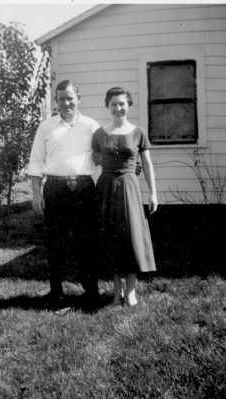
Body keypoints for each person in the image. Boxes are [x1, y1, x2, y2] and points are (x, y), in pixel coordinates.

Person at [28, 80, 100, 308]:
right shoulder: (46, 127)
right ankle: (56, 295)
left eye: (70, 98)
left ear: (78, 98)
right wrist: (37, 194)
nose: (66, 103)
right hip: (55, 189)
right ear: (56, 101)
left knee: (86, 243)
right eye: (61, 99)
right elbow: (36, 161)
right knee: (56, 244)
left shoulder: (92, 126)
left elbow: (103, 156)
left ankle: (91, 294)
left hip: (84, 189)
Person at [92, 87, 158, 307]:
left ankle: (131, 291)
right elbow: (94, 159)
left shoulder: (139, 132)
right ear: (107, 106)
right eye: (114, 104)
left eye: (122, 104)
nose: (118, 108)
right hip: (107, 189)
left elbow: (147, 164)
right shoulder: (99, 134)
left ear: (128, 105)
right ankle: (116, 291)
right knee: (111, 237)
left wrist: (154, 193)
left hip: (130, 188)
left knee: (131, 238)